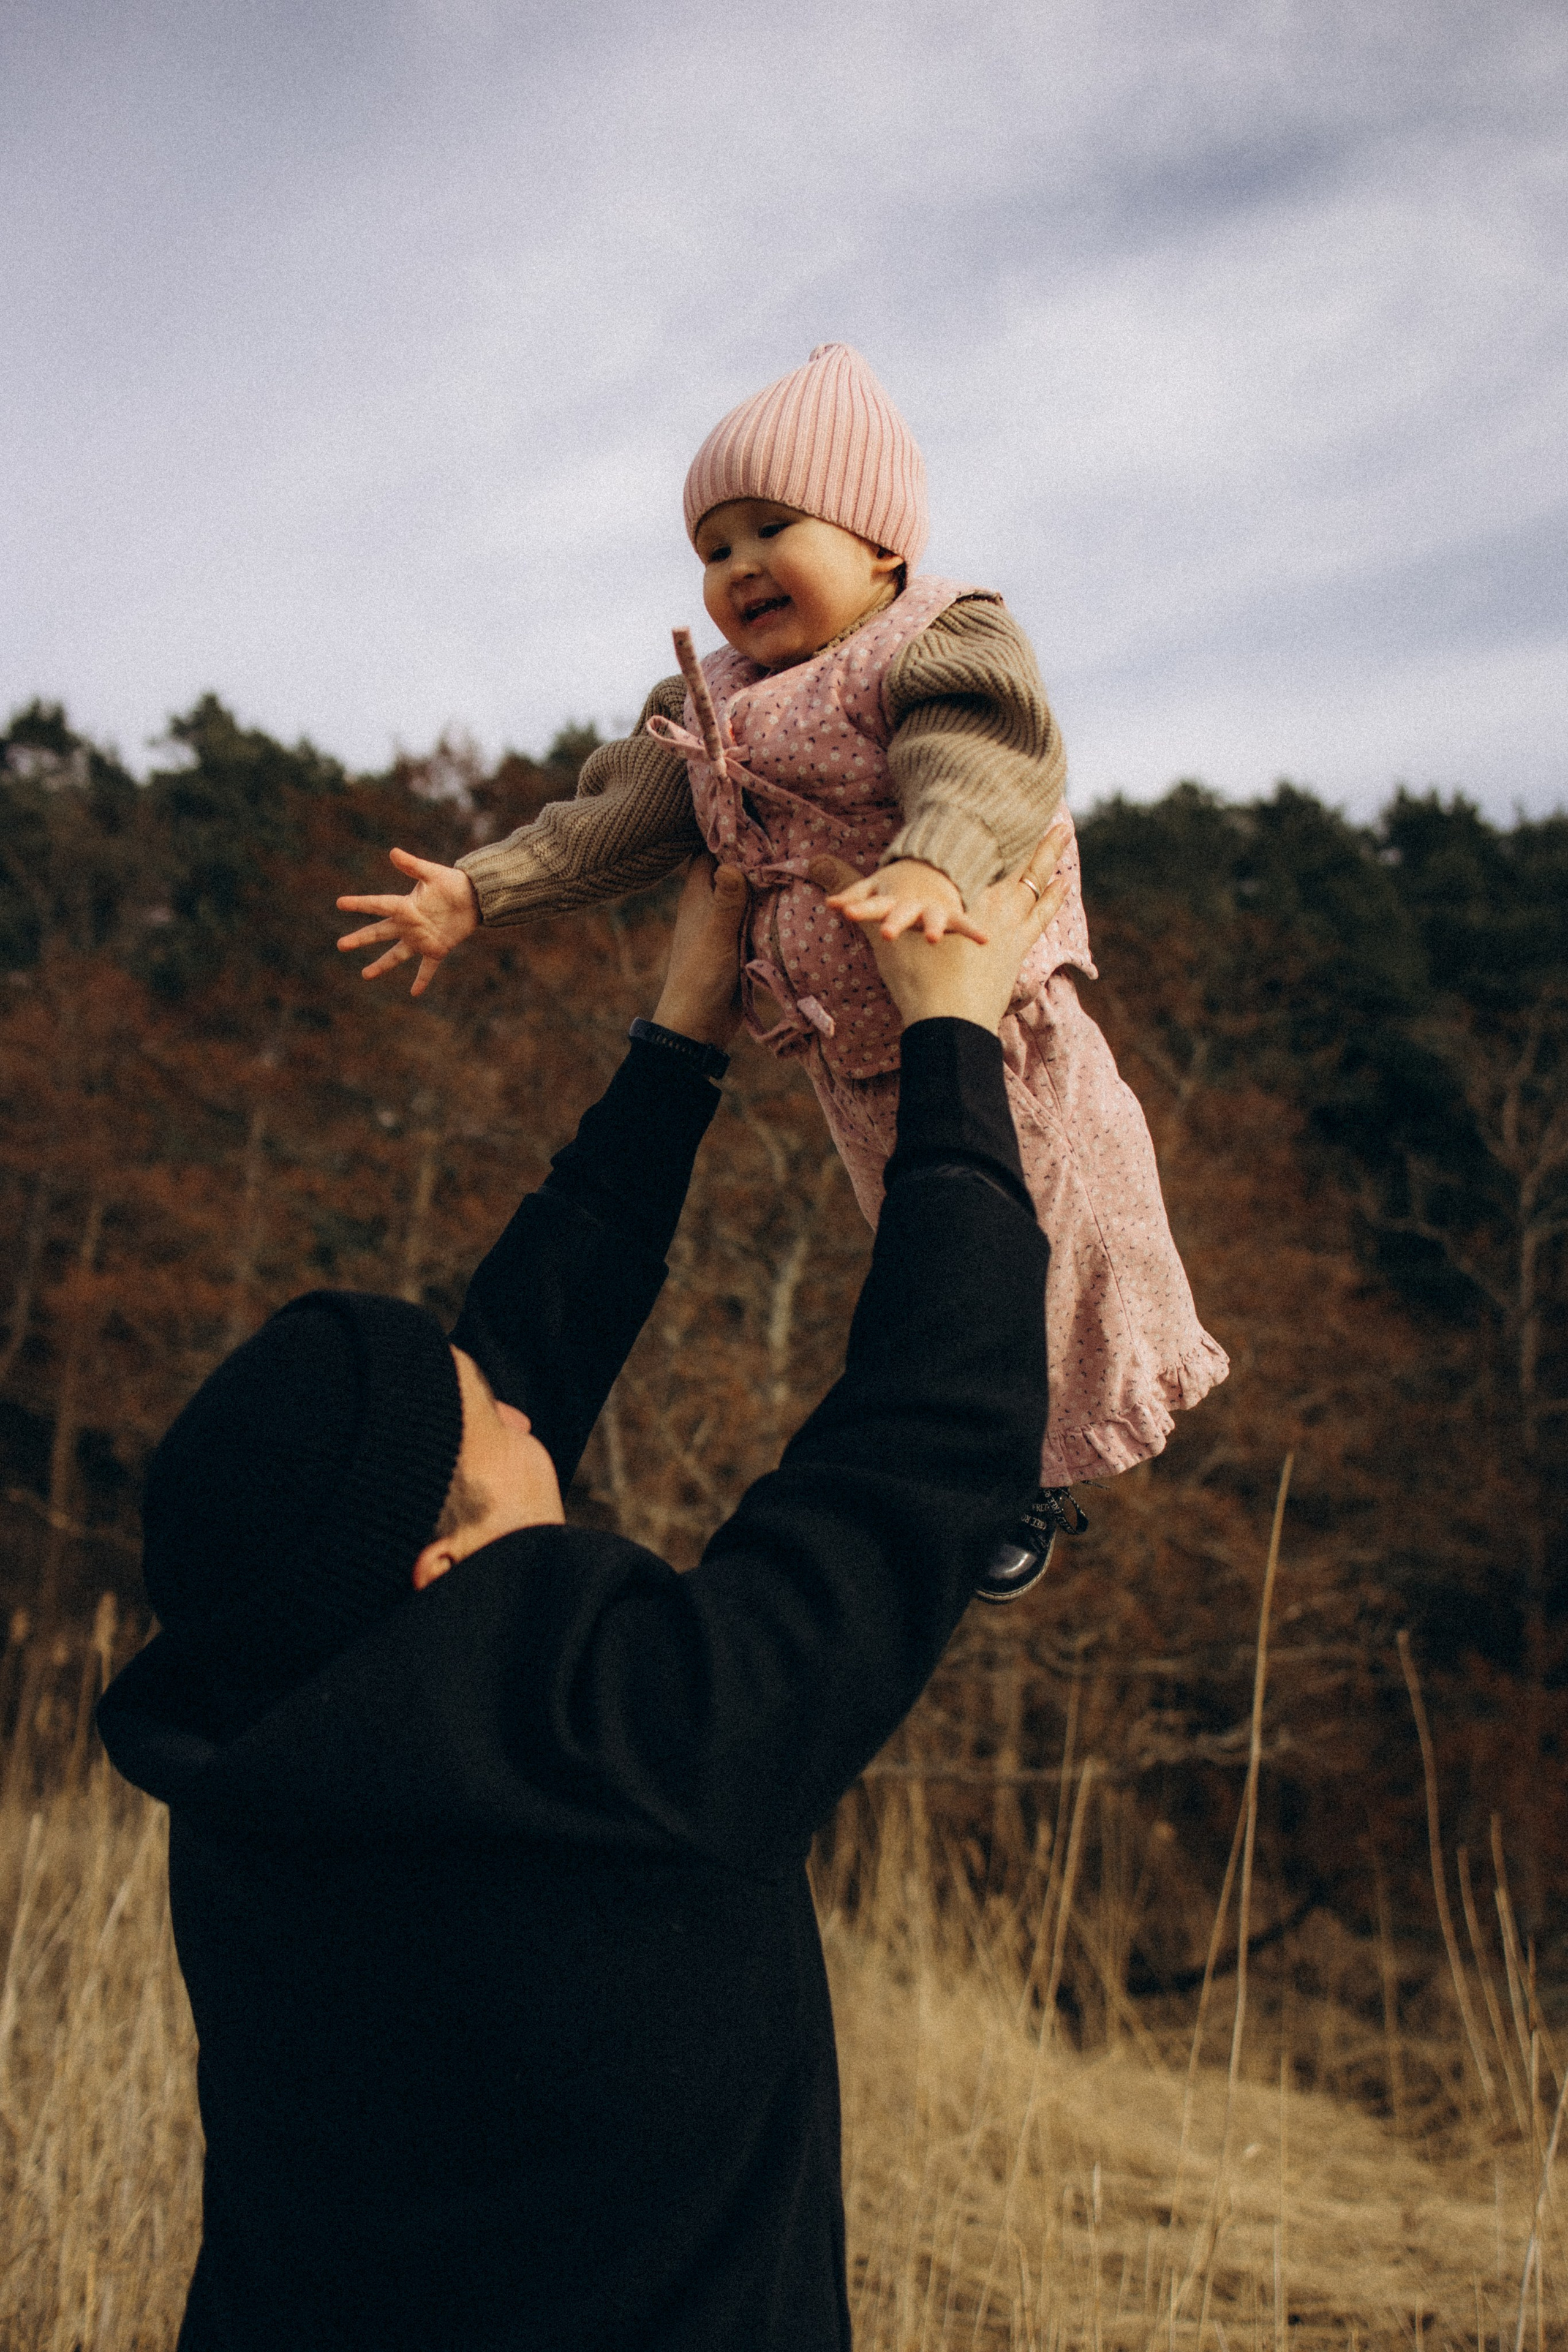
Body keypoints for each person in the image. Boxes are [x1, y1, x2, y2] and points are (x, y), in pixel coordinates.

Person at [99, 832, 1070, 2352]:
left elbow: (496, 1383)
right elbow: (923, 1446)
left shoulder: (249, 1758)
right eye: (494, 1423)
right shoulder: (640, 1761)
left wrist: (677, 1040)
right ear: (441, 1568)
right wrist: (955, 1047)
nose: (521, 1400)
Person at [336, 341, 1226, 1603]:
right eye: (711, 547)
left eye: (771, 527)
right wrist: (479, 890)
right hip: (851, 1055)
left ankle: (1041, 1458)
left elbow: (978, 761)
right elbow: (610, 822)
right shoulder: (702, 704)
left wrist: (932, 864)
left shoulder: (935, 639)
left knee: (1072, 1224)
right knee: (927, 1256)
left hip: (986, 1006)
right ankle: (999, 1450)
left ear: (878, 548)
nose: (737, 566)